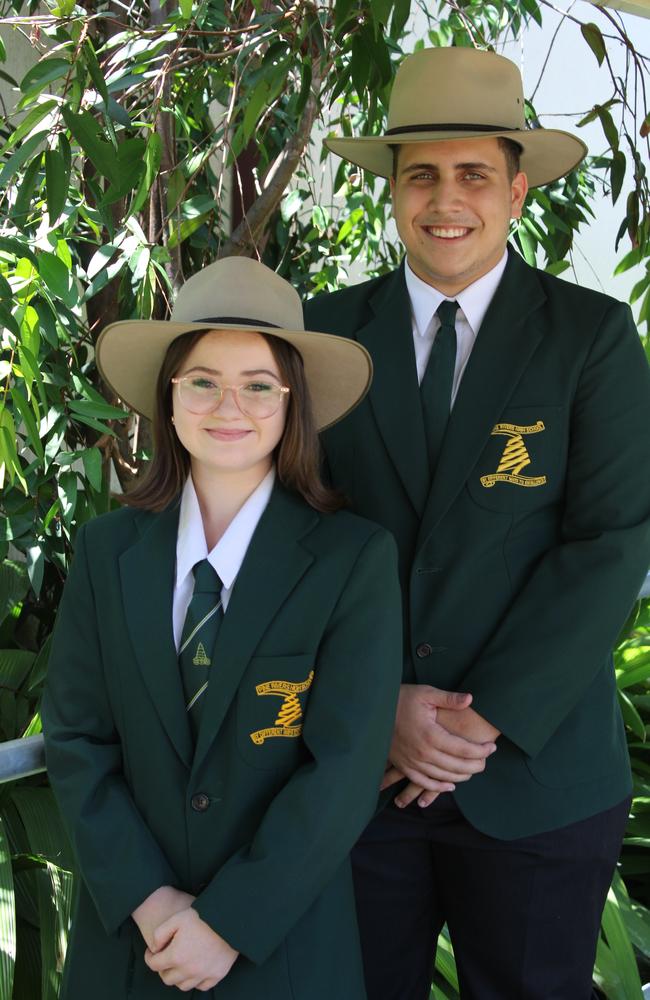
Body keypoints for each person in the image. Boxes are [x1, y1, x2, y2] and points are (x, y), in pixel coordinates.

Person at [304, 46, 650, 1000]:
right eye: (421, 175)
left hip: (538, 776)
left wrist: (479, 722)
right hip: (360, 777)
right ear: (391, 190)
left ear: (518, 187)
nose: (445, 200)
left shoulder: (591, 337)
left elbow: (610, 544)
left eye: (472, 175)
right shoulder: (325, 337)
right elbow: (298, 539)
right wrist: (383, 710)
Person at [42, 256, 404, 999]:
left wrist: (230, 922)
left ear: (290, 402)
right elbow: (77, 740)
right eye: (202, 380)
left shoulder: (352, 559)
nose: (228, 406)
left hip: (281, 947)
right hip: (134, 948)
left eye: (258, 385)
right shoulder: (106, 552)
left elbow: (343, 767)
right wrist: (151, 901)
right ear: (168, 399)